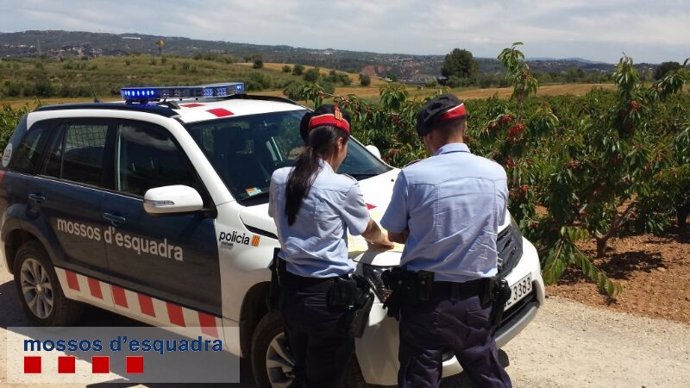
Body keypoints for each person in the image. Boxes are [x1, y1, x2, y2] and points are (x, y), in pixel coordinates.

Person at [380, 94, 512, 388]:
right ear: (463, 127)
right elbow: (494, 221)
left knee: (420, 378)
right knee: (488, 375)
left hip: (426, 303)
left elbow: (393, 233)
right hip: (477, 302)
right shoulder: (495, 173)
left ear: (429, 135)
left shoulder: (413, 176)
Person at [268, 104, 393, 388]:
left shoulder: (280, 178)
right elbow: (367, 229)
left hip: (290, 293)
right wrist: (384, 240)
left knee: (302, 371)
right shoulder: (342, 186)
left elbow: (276, 218)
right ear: (339, 143)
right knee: (328, 379)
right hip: (326, 300)